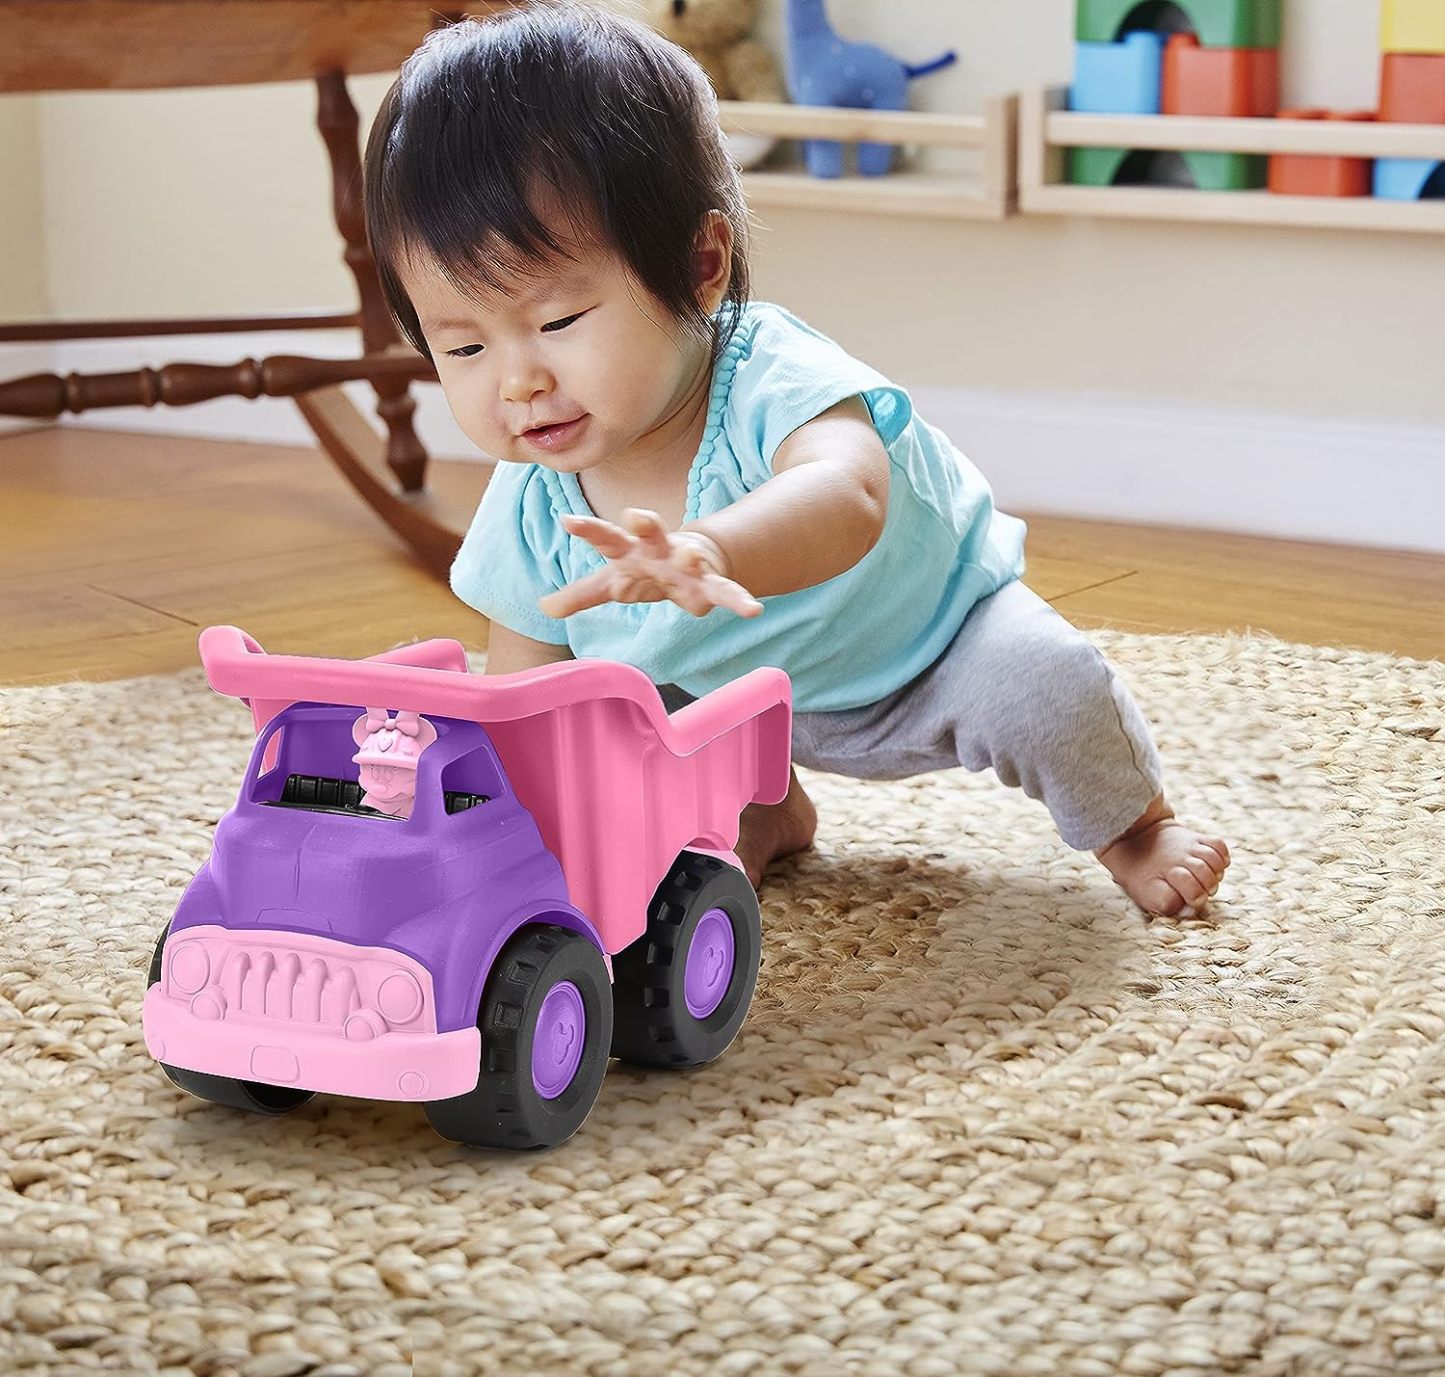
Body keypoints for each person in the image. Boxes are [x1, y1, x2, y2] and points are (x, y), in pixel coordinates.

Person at [362, 1, 1230, 917]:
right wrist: (471, 779)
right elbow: (530, 688)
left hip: (933, 644)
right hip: (736, 708)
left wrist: (713, 548)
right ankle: (760, 805)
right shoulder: (536, 498)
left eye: (558, 320)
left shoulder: (767, 372)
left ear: (699, 265)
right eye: (464, 347)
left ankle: (1134, 828)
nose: (518, 382)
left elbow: (846, 492)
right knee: (617, 735)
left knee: (1046, 685)